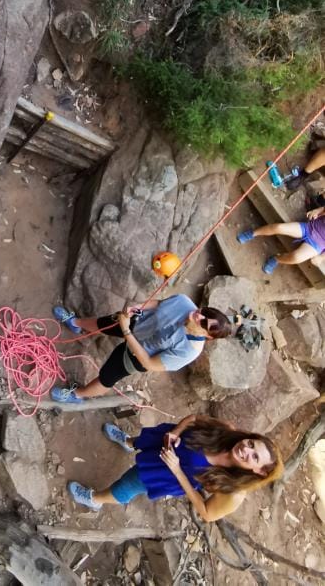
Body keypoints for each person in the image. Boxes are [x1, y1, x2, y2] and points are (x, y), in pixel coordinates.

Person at [67, 414, 283, 522]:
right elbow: (195, 418)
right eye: (251, 443)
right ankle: (127, 442)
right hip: (163, 443)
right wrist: (176, 432)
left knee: (128, 485)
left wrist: (177, 470)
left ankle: (95, 499)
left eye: (254, 457)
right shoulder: (228, 432)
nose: (246, 449)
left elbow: (207, 514)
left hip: (167, 474)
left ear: (259, 471)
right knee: (140, 441)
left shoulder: (234, 491)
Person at [50, 295, 233, 404]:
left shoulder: (189, 351)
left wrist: (126, 332)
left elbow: (150, 363)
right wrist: (136, 309)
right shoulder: (184, 302)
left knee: (107, 376)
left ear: (207, 336)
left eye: (204, 323)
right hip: (136, 322)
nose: (199, 316)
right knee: (103, 323)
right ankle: (76, 323)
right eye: (205, 312)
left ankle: (77, 395)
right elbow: (159, 304)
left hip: (137, 355)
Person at [237, 205, 325, 274]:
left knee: (296, 258)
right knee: (278, 228)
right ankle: (252, 233)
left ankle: (276, 259)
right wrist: (317, 210)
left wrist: (321, 257)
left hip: (318, 244)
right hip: (310, 227)